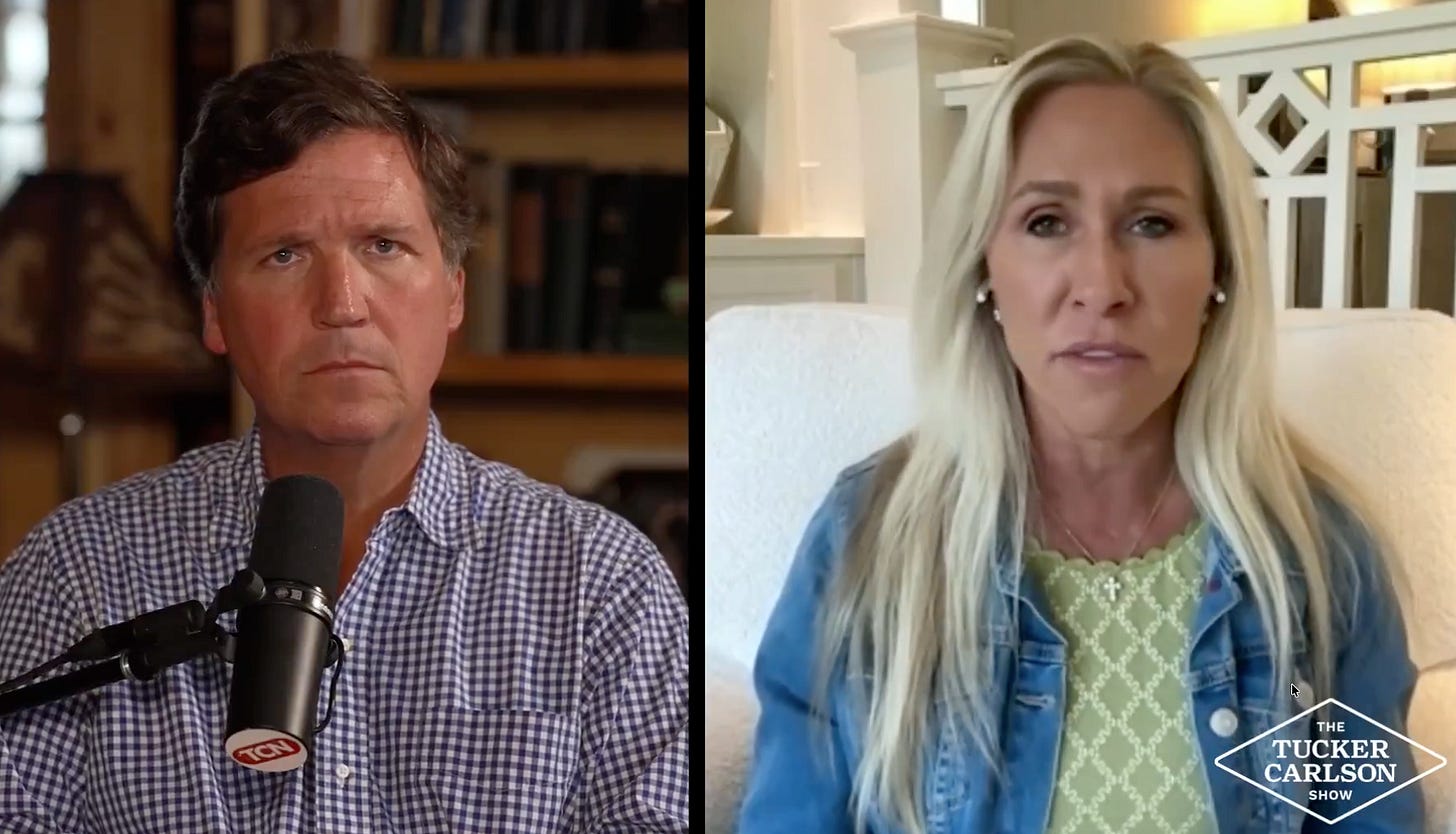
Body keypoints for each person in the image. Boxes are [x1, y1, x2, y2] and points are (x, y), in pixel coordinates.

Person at [736, 35, 1420, 834]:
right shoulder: (867, 538)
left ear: (1221, 272)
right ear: (983, 268)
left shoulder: (1320, 553)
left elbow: (1374, 821)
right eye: (1047, 221)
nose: (1101, 286)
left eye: (1153, 223)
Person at [0, 49, 688, 833]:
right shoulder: (79, 572)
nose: (343, 303)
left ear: (453, 292)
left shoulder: (600, 583)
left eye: (384, 246)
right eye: (285, 255)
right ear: (215, 312)